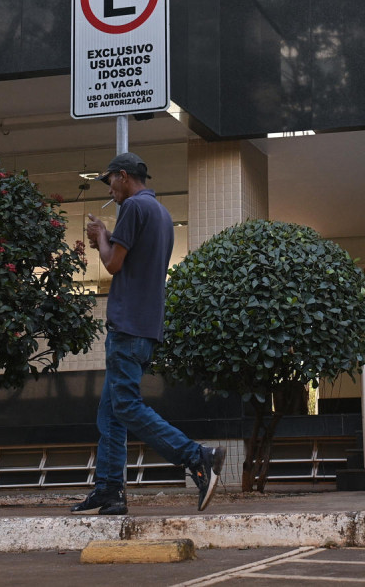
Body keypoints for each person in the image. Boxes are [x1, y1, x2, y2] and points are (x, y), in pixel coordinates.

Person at [71, 151, 224, 516]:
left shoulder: (134, 208)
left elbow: (112, 263)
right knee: (110, 414)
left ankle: (197, 456)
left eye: (110, 179)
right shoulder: (161, 213)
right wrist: (107, 238)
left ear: (123, 176)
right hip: (146, 324)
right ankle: (109, 490)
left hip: (128, 323)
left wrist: (101, 236)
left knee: (125, 405)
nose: (109, 187)